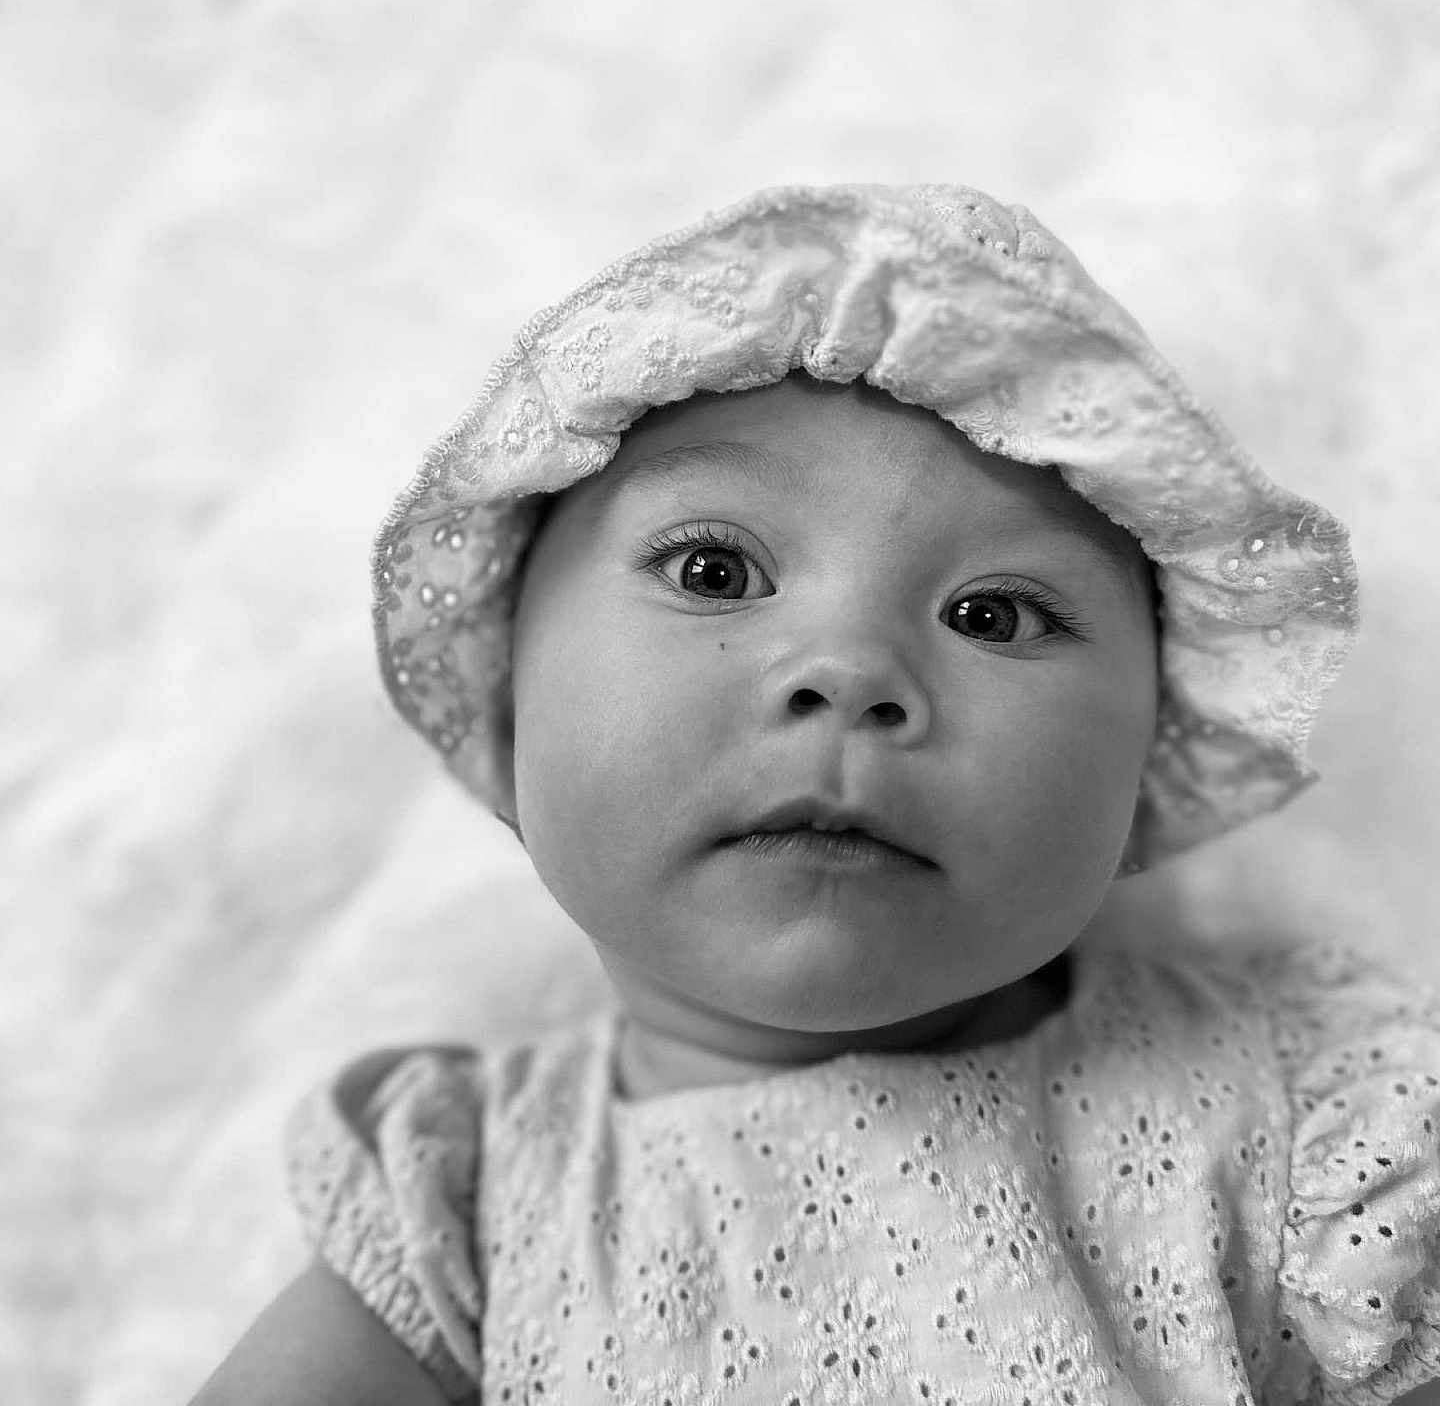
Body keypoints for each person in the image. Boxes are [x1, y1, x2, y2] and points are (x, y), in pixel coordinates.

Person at [190, 184, 1440, 1406]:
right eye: (713, 570)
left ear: (1146, 765)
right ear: (507, 707)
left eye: (994, 615)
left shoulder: (1307, 1118)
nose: (851, 672)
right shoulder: (459, 1209)